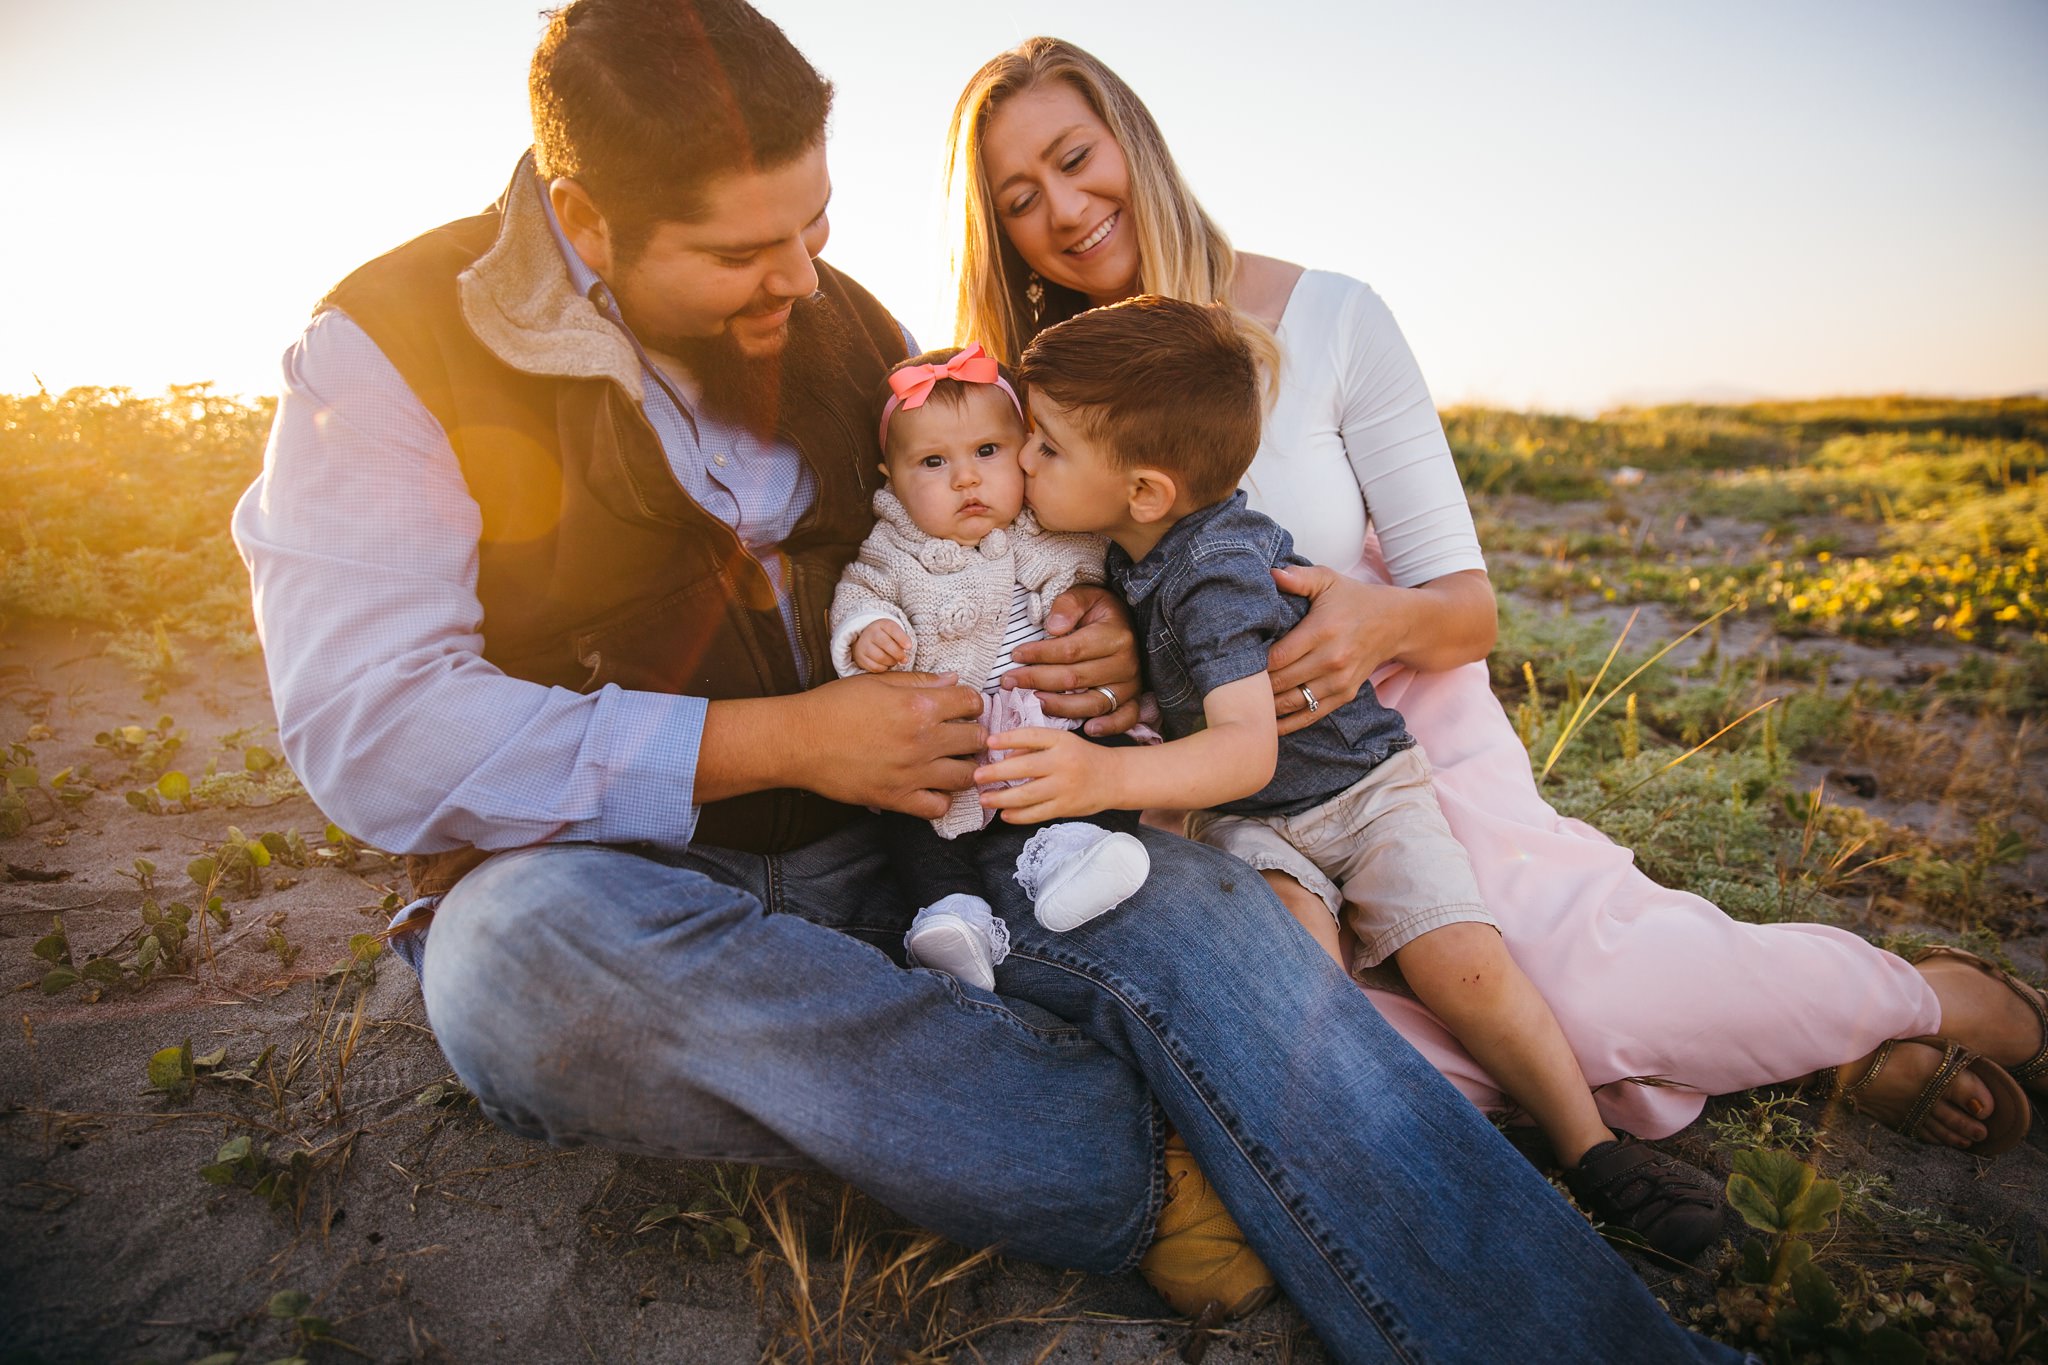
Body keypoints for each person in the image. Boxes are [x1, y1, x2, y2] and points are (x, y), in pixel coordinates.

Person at [227, 1, 1756, 1357]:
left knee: (1194, 910)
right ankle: (1161, 1160)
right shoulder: (389, 354)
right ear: (586, 214)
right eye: (743, 252)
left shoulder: (843, 332)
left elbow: (1023, 522)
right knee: (506, 969)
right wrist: (782, 739)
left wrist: (1098, 635)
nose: (797, 279)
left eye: (814, 227)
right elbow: (375, 732)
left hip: (955, 836)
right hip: (640, 894)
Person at [948, 35, 2044, 1157]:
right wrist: (1110, 646)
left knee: (1575, 990)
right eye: (1020, 198)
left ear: (1133, 139)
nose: (1064, 209)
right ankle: (1789, 1047)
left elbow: (1468, 610)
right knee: (1314, 1042)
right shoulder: (1012, 399)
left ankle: (1909, 996)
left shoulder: (1326, 317)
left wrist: (1369, 617)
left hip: (1393, 737)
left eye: (1077, 158)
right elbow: (999, 594)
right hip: (1199, 786)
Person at [991, 293, 1725, 1258]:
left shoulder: (1213, 569)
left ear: (1146, 491)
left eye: (1044, 446)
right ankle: (1356, 1154)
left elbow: (1245, 748)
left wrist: (1093, 778)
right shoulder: (1127, 542)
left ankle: (1590, 1144)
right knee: (1292, 971)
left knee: (1461, 958)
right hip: (1250, 819)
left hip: (1357, 790)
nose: (1024, 462)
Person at [830, 343, 1151, 988]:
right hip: (952, 744)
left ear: (1025, 450)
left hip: (1046, 726)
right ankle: (953, 914)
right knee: (915, 821)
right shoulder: (895, 545)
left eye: (986, 452)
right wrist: (866, 630)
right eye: (932, 462)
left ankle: (1070, 856)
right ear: (889, 477)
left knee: (1102, 767)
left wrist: (1105, 612)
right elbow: (862, 588)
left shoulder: (1054, 525)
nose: (966, 479)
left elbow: (1102, 581)